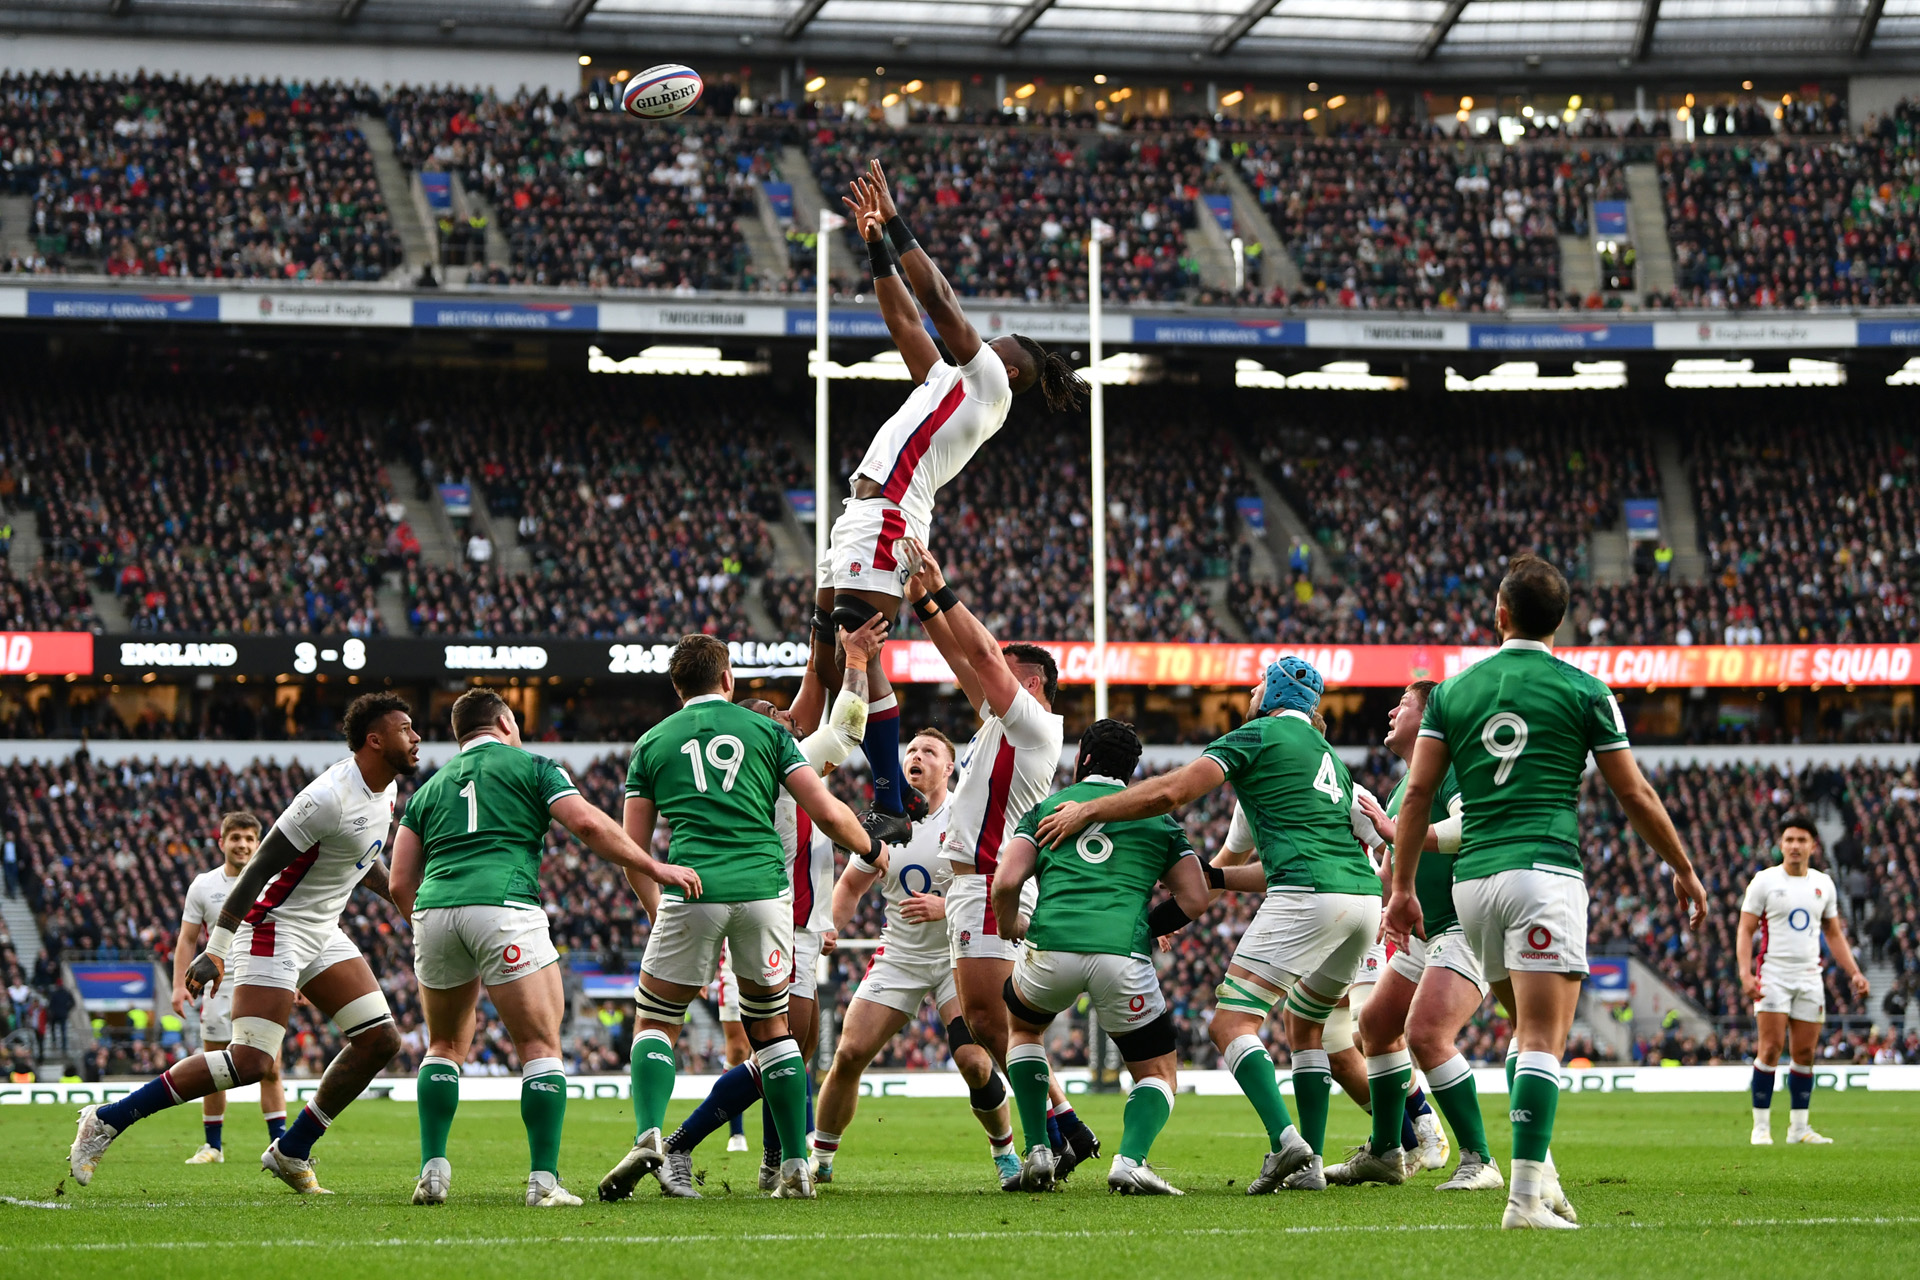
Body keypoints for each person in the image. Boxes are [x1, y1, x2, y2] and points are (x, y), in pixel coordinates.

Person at [1385, 553, 1708, 1230]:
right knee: (1541, 1037)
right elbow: (1633, 792)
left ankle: (1543, 1175)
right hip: (1543, 873)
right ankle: (1525, 1200)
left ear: (1499, 614)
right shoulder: (1585, 689)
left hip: (1474, 885)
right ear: (1560, 621)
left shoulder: (1453, 692)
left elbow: (1417, 795)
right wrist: (1681, 865)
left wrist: (1403, 888)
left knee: (1522, 1031)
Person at [1035, 657, 1389, 1194]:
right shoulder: (1329, 758)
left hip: (1308, 892)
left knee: (1230, 1025)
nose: (1249, 689)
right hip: (1363, 900)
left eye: (1258, 681)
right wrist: (1213, 878)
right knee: (1307, 1027)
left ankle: (1288, 1142)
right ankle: (1312, 1165)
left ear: (1273, 692)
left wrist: (1092, 810)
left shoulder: (1255, 735)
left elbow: (1173, 793)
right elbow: (1274, 859)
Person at [810, 160, 1088, 834]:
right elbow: (908, 322)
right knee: (824, 650)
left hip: (890, 515)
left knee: (858, 638)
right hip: (865, 516)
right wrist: (875, 242)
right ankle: (804, 755)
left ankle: (886, 796)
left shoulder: (988, 381)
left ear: (1008, 364)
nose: (979, 337)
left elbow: (938, 302)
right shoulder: (948, 381)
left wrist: (899, 223)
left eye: (992, 340)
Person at [70, 693, 422, 1193]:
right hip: (273, 927)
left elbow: (361, 861)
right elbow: (256, 869)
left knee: (380, 1039)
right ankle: (107, 1119)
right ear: (375, 739)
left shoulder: (383, 793)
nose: (417, 737)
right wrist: (216, 948)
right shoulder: (326, 797)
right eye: (406, 729)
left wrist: (404, 903)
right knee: (251, 1062)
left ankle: (292, 1148)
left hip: (321, 931)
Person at [597, 633, 889, 1202]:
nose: (788, 716)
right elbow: (830, 805)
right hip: (768, 897)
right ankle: (794, 1164)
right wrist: (874, 850)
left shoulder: (653, 742)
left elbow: (633, 849)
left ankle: (653, 1136)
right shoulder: (771, 738)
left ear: (677, 685)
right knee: (777, 1036)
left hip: (694, 888)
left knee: (657, 1019)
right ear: (728, 680)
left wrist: (660, 908)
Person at [389, 687, 700, 1208]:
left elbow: (401, 883)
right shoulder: (533, 766)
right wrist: (654, 866)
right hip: (505, 906)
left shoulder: (427, 788)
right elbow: (584, 823)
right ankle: (543, 1182)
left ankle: (433, 1171)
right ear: (506, 721)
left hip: (435, 911)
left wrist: (429, 924)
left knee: (443, 1046)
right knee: (538, 1046)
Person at [898, 539, 1101, 1178]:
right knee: (992, 1025)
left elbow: (983, 653)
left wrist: (945, 586)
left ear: (1030, 681)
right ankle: (1066, 1127)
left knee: (993, 1021)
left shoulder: (1036, 724)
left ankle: (1051, 1137)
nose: (991, 678)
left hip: (991, 882)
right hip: (972, 886)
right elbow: (967, 659)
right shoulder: (1000, 722)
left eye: (1008, 673)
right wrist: (925, 605)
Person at [993, 719, 1211, 1194]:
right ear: (1131, 771)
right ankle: (1129, 1160)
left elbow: (1006, 882)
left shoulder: (1046, 809)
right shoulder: (1159, 822)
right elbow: (1195, 898)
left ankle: (1036, 1153)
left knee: (1025, 1030)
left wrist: (1010, 924)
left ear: (1083, 759)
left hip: (1050, 950)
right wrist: (1147, 928)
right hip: (1122, 957)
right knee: (1156, 1072)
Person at [811, 727, 1021, 1187]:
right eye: (911, 751)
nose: (917, 756)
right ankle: (821, 1161)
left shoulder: (968, 816)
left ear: (949, 768)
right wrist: (827, 926)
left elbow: (1002, 882)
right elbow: (849, 888)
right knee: (849, 1053)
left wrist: (946, 907)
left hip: (958, 956)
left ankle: (1005, 1151)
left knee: (974, 1062)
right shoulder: (886, 823)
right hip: (901, 955)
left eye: (929, 750)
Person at [1330, 681, 1502, 1191]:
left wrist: (1390, 829)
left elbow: (1466, 829)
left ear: (1431, 716)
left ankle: (1480, 1160)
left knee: (1427, 1037)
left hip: (1464, 925)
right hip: (1422, 935)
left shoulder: (1452, 768)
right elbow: (1390, 871)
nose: (1390, 710)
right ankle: (1387, 1152)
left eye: (1402, 703)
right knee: (1377, 1027)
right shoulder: (1407, 785)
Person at [1736, 813, 1870, 1146]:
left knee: (1806, 1053)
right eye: (1789, 840)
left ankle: (1799, 1129)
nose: (1795, 846)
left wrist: (1854, 972)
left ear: (1813, 845)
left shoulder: (1823, 884)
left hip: (1810, 976)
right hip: (1774, 974)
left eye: (1801, 840)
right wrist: (1745, 973)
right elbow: (1746, 929)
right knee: (1769, 1049)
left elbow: (1834, 934)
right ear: (1781, 845)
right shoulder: (1764, 881)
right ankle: (1761, 1127)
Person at [171, 812, 287, 1165]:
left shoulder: (276, 881)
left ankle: (279, 1146)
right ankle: (213, 1147)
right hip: (218, 987)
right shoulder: (204, 886)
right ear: (221, 842)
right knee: (214, 1067)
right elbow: (187, 938)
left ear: (259, 842)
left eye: (250, 838)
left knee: (270, 1067)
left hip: (266, 980)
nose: (243, 845)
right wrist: (178, 986)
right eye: (235, 838)